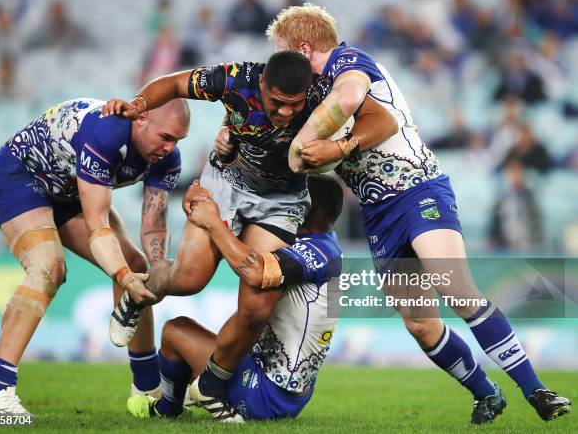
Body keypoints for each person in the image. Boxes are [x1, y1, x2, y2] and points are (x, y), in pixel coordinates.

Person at [263, 3, 571, 424]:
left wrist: (329, 148)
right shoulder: (311, 95)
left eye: (283, 52)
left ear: (303, 46)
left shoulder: (347, 62)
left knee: (456, 288)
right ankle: (486, 393)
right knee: (421, 324)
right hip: (379, 212)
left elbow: (354, 98)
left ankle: (537, 389)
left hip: (416, 190)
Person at [103, 50, 396, 420]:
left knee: (259, 304)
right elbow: (175, 83)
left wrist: (341, 146)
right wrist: (139, 103)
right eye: (277, 103)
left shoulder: (323, 92)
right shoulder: (235, 78)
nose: (287, 112)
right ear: (262, 85)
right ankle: (138, 296)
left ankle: (210, 385)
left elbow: (383, 120)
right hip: (226, 184)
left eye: (295, 104)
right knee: (189, 279)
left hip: (281, 201)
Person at [0, 97, 190, 415]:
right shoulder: (108, 133)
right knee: (49, 269)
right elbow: (97, 226)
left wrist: (156, 273)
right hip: (20, 176)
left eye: (178, 140)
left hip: (70, 190)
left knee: (137, 265)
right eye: (166, 137)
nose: (171, 147)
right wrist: (124, 279)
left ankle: (147, 388)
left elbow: (154, 226)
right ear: (140, 120)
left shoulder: (167, 159)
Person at [126, 174, 343, 422]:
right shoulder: (328, 246)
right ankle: (191, 393)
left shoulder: (315, 253)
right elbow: (247, 245)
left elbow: (257, 271)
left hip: (265, 394)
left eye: (291, 199)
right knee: (241, 326)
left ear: (304, 209)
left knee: (175, 332)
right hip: (287, 391)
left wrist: (213, 224)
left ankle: (168, 408)